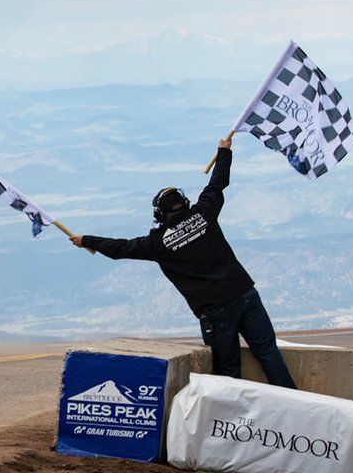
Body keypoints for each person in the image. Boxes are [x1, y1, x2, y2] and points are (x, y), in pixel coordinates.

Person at [71, 134, 296, 388]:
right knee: (268, 353)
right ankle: (298, 407)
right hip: (245, 293)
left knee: (229, 372)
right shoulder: (204, 213)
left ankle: (234, 423)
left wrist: (87, 240)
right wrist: (224, 152)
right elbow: (218, 183)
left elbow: (120, 248)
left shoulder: (157, 243)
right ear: (185, 204)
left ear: (159, 213)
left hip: (216, 311)